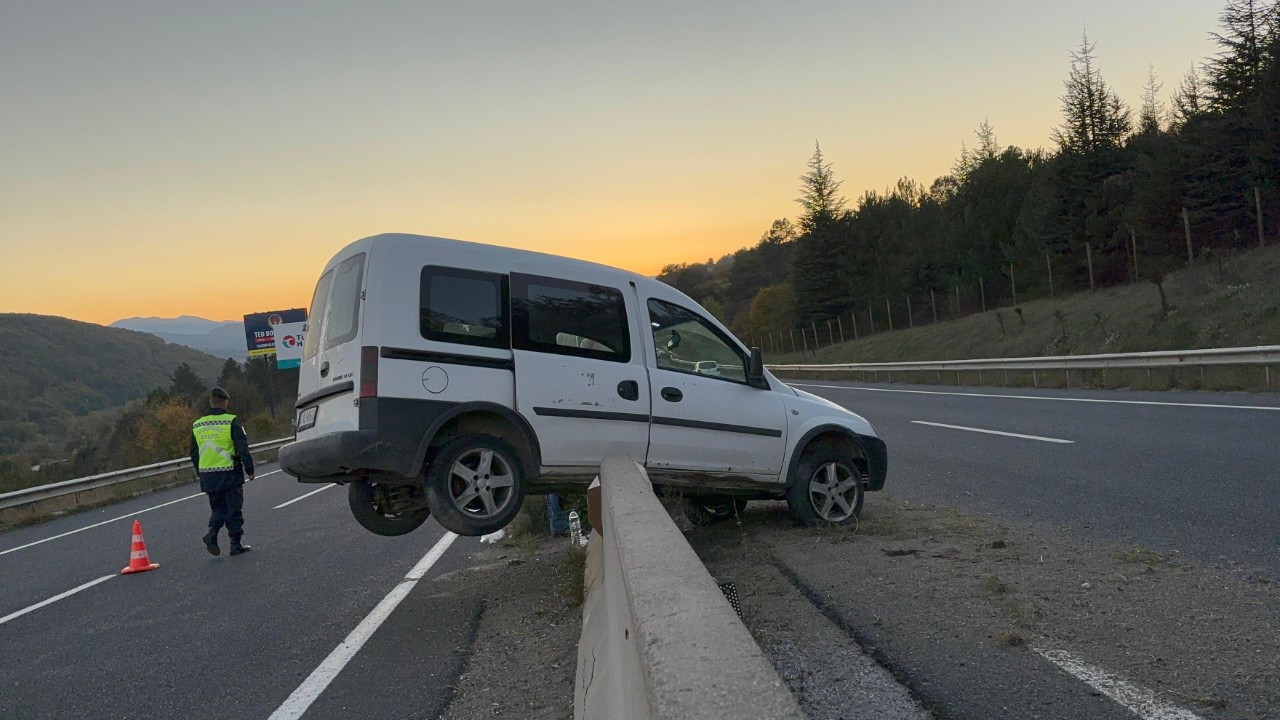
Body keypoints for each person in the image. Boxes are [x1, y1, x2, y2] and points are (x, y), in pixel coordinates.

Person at [190, 387, 255, 556]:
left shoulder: (198, 424)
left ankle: (212, 533)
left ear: (211, 402)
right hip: (229, 472)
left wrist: (201, 472)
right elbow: (242, 447)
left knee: (218, 508)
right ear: (225, 402)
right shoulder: (231, 421)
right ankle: (235, 544)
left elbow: (194, 453)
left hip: (208, 476)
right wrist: (250, 469)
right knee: (234, 508)